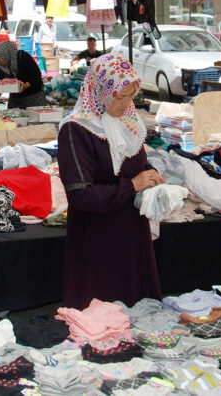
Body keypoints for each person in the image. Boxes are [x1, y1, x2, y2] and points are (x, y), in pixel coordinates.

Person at [57, 53, 165, 308]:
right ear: (100, 89)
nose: (126, 103)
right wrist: (133, 185)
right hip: (98, 240)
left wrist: (152, 177)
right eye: (119, 96)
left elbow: (134, 164)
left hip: (132, 234)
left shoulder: (129, 122)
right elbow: (80, 195)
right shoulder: (76, 129)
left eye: (131, 96)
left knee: (136, 313)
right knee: (101, 316)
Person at [0, 40, 47, 109]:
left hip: (33, 96)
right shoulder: (0, 64)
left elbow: (36, 75)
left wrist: (26, 85)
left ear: (7, 55)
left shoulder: (23, 57)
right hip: (15, 98)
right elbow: (0, 80)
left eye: (0, 60)